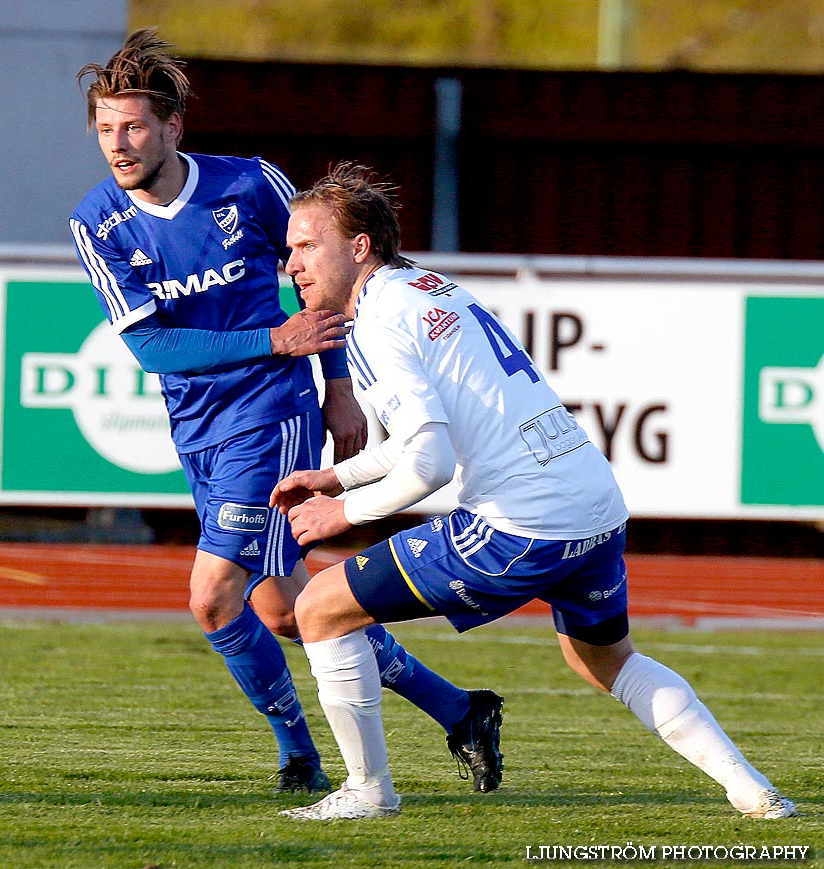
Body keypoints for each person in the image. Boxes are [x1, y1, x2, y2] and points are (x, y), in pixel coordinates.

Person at [271, 162, 798, 821]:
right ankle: (755, 791)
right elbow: (425, 441)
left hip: (522, 522)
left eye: (306, 245)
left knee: (320, 606)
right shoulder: (427, 287)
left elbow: (429, 464)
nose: (291, 262)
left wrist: (339, 512)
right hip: (593, 503)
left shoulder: (378, 321)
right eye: (289, 248)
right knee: (605, 661)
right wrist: (336, 476)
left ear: (360, 246)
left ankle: (367, 791)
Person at [69, 29, 505, 795]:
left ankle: (300, 758)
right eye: (105, 128)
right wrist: (274, 336)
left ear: (174, 128)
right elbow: (156, 350)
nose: (119, 143)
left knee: (210, 595)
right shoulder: (96, 221)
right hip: (197, 425)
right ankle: (460, 708)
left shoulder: (251, 186)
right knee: (286, 612)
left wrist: (336, 385)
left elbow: (322, 286)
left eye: (134, 126)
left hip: (269, 415)